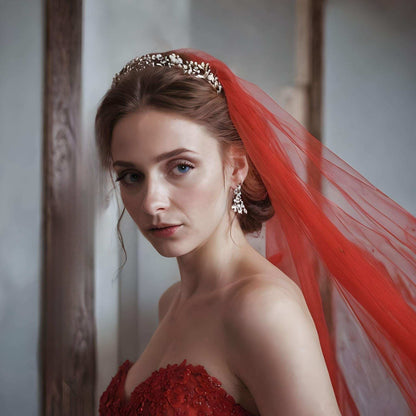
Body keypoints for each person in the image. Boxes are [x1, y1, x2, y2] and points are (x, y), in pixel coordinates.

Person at [96, 50, 416, 415]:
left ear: (235, 168)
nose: (152, 202)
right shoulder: (171, 301)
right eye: (132, 176)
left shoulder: (264, 310)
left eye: (180, 167)